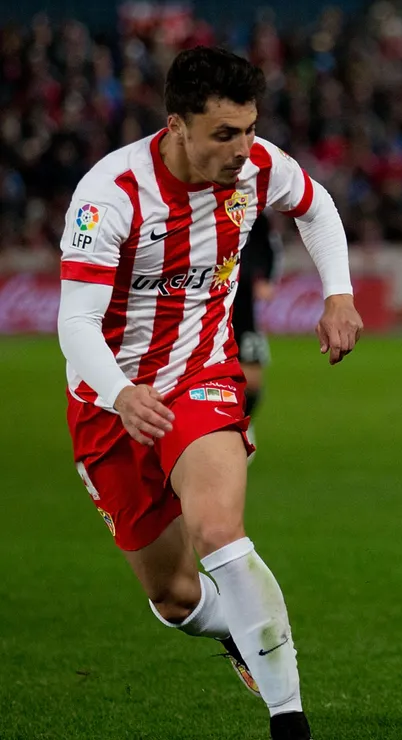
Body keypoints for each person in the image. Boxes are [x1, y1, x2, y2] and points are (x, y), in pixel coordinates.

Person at [57, 46, 362, 740]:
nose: (243, 148)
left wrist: (338, 295)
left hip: (202, 375)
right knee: (173, 597)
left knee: (219, 531)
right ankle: (244, 631)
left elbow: (316, 207)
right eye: (224, 133)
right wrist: (121, 393)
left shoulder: (258, 166)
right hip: (110, 399)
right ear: (176, 126)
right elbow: (75, 322)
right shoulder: (110, 194)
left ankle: (288, 719)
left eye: (250, 129)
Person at [232, 211, 281, 450]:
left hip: (242, 306)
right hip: (202, 303)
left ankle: (243, 423)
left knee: (252, 379)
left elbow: (269, 247)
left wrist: (266, 279)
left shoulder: (253, 209)